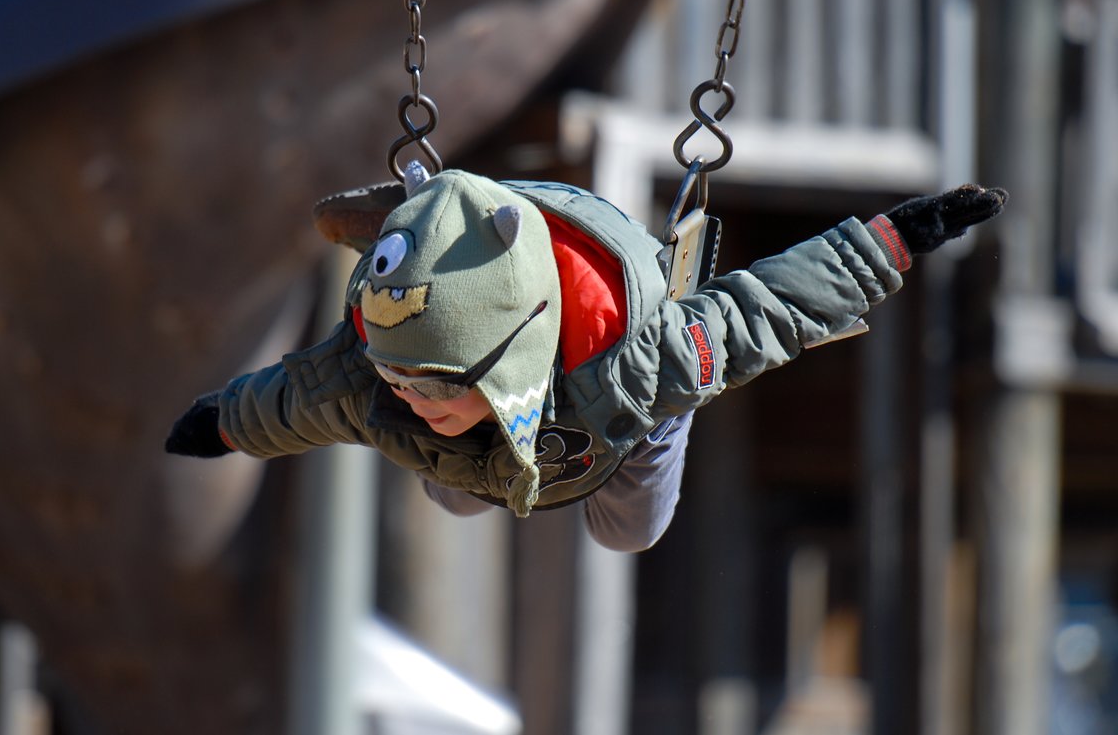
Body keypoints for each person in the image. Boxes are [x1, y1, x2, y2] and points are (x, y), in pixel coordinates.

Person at [166, 165, 1006, 552]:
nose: (414, 396)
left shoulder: (636, 363)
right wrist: (222, 426)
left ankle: (661, 431)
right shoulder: (370, 374)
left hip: (607, 426)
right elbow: (290, 400)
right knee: (453, 499)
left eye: (435, 383)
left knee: (629, 533)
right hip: (501, 453)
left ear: (505, 357)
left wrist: (892, 239)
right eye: (398, 378)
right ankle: (474, 469)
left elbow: (766, 310)